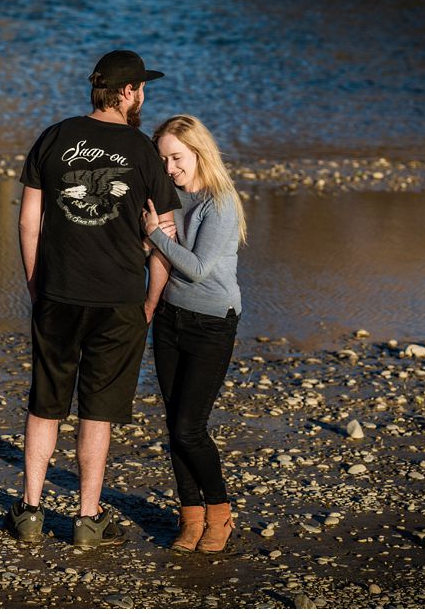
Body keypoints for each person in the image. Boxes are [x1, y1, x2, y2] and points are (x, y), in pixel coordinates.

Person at [5, 50, 181, 548]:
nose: (143, 96)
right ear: (127, 92)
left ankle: (31, 512)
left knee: (45, 404)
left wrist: (36, 284)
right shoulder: (144, 152)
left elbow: (27, 222)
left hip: (59, 293)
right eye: (141, 88)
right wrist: (149, 301)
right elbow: (163, 232)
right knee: (97, 410)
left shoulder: (54, 137)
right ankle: (87, 520)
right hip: (119, 299)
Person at [140, 114, 247, 554]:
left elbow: (198, 269)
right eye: (163, 159)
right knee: (173, 424)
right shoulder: (177, 198)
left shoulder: (220, 203)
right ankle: (190, 517)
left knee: (189, 427)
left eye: (176, 157)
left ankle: (219, 514)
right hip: (170, 319)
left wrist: (155, 236)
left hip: (211, 323)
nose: (169, 168)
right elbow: (160, 253)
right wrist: (150, 242)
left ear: (199, 151)